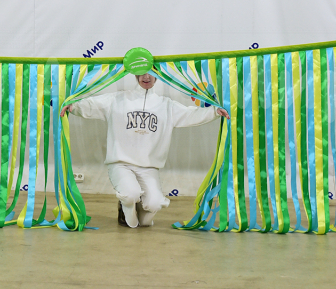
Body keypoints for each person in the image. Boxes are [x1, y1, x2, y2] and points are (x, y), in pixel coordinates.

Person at [60, 73, 229, 228]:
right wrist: (73, 106)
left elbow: (190, 114)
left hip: (149, 167)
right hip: (121, 164)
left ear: (157, 77)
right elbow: (93, 105)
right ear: (136, 75)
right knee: (131, 199)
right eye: (142, 73)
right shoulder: (118, 99)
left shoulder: (166, 105)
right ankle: (126, 204)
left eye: (151, 74)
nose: (146, 77)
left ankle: (135, 205)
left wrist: (215, 111)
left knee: (151, 211)